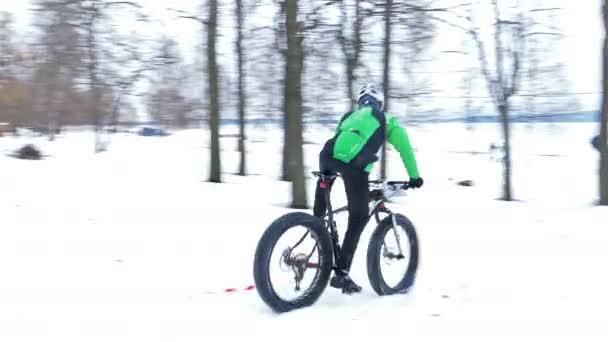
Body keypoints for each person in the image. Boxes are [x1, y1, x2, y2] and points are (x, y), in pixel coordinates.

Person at [313, 83, 423, 294]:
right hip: (355, 166)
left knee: (325, 190)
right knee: (359, 216)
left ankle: (314, 225)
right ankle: (342, 272)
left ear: (360, 102)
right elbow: (405, 148)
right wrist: (414, 177)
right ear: (379, 104)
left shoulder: (348, 117)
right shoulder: (386, 119)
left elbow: (341, 144)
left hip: (326, 156)